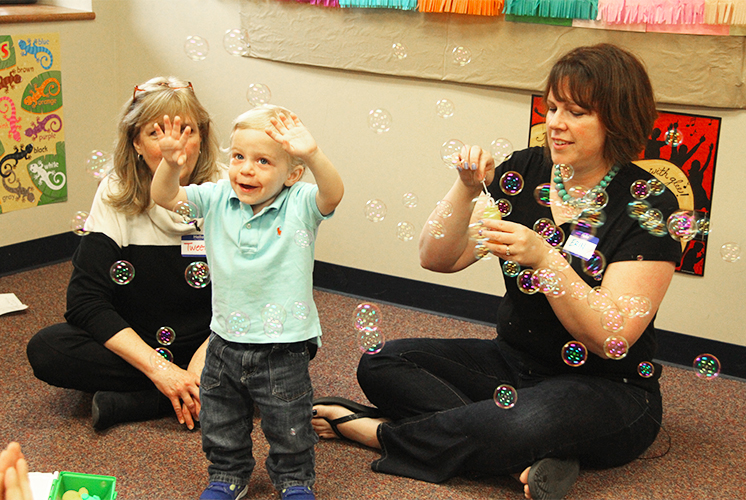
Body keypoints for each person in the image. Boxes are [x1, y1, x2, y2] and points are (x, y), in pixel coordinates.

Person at [312, 43, 681, 500]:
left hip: (608, 386)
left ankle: (376, 432)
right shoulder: (526, 170)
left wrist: (546, 259)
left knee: (528, 418)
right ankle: (518, 451)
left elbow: (612, 339)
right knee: (382, 361)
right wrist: (465, 189)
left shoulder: (649, 204)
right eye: (552, 107)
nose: (556, 124)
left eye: (577, 112)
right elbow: (438, 257)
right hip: (514, 363)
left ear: (618, 119)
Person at [151, 104, 344, 500]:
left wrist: (312, 154)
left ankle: (294, 480)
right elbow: (165, 197)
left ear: (291, 174)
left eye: (262, 161)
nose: (246, 169)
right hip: (224, 339)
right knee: (220, 419)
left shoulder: (301, 203)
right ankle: (227, 476)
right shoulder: (217, 197)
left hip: (283, 345)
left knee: (289, 422)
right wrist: (170, 164)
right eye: (238, 157)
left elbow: (333, 193)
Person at [26, 76, 224, 431]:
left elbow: (253, 296)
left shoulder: (229, 190)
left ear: (203, 137)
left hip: (214, 340)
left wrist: (202, 361)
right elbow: (85, 302)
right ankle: (199, 393)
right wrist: (158, 366)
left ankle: (143, 401)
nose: (174, 146)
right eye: (157, 133)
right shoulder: (115, 190)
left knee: (298, 343)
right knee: (48, 348)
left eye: (187, 131)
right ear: (134, 142)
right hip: (139, 341)